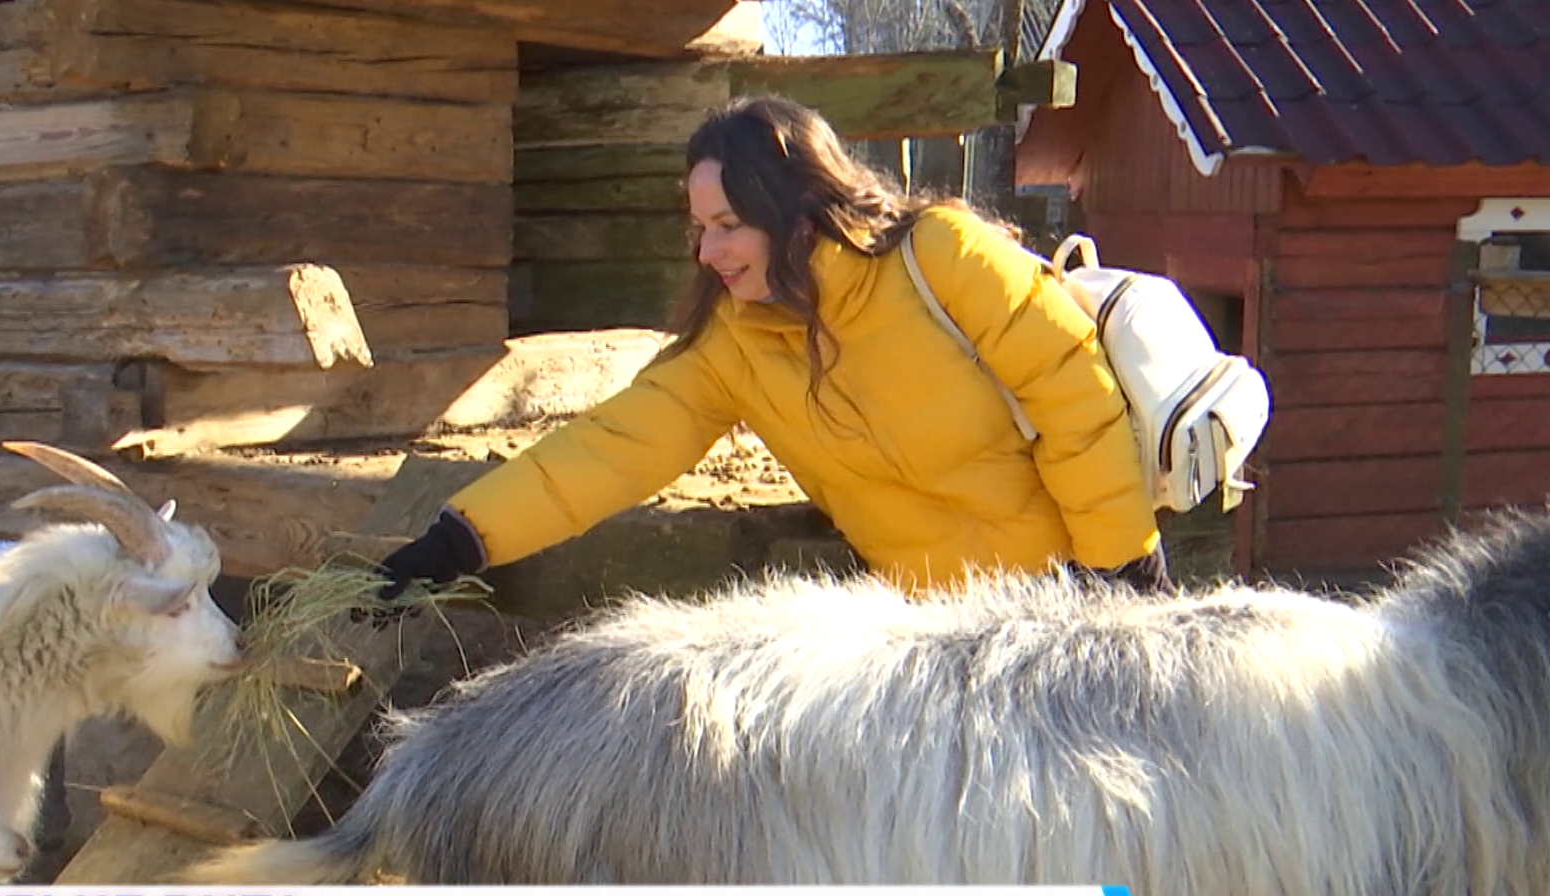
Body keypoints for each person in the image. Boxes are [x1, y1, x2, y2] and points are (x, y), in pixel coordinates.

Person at [371, 94, 1171, 611]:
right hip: (942, 647)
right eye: (699, 229)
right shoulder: (735, 346)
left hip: (1076, 602)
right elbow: (608, 452)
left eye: (726, 226)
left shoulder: (943, 257)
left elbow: (1078, 401)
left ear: (793, 211)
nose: (706, 253)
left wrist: (1119, 578)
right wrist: (459, 540)